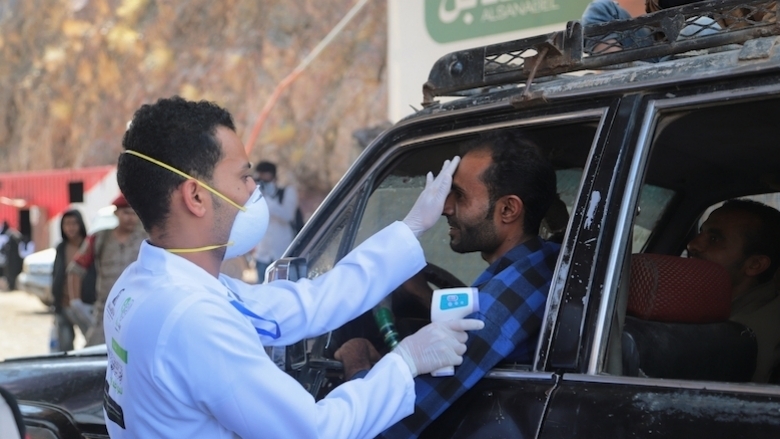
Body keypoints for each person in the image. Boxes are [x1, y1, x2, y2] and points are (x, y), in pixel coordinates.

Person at [103, 96, 483, 439]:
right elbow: (314, 432)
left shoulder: (144, 284)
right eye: (243, 177)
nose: (255, 190)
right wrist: (404, 363)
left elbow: (304, 304)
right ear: (197, 196)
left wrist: (411, 228)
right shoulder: (192, 319)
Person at [338, 131, 562, 438]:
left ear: (508, 210)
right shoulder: (546, 261)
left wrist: (357, 362)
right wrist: (424, 299)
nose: (445, 208)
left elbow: (385, 426)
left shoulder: (493, 310)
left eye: (460, 195)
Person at [687, 199, 780, 383]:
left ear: (754, 264)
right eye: (701, 233)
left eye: (714, 238)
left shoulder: (746, 335)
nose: (693, 245)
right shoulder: (708, 306)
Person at [67, 194, 146, 347]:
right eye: (126, 213)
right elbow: (75, 269)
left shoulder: (147, 238)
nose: (130, 218)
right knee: (95, 351)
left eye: (133, 213)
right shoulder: (100, 238)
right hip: (106, 309)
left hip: (139, 309)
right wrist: (76, 302)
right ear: (116, 213)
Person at [581, 0, 718, 57]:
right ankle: (627, 77)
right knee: (601, 8)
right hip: (651, 59)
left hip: (695, 58)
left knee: (701, 27)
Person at [252, 160, 299, 282]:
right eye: (260, 181)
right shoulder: (257, 196)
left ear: (274, 178)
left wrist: (268, 198)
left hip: (282, 253)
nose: (263, 184)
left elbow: (288, 215)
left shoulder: (287, 192)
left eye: (266, 181)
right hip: (262, 254)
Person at [51, 210, 89, 351]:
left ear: (80, 225)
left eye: (74, 223)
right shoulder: (61, 247)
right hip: (63, 305)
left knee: (92, 342)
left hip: (84, 305)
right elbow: (55, 274)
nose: (70, 228)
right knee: (65, 347)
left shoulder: (88, 246)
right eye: (67, 224)